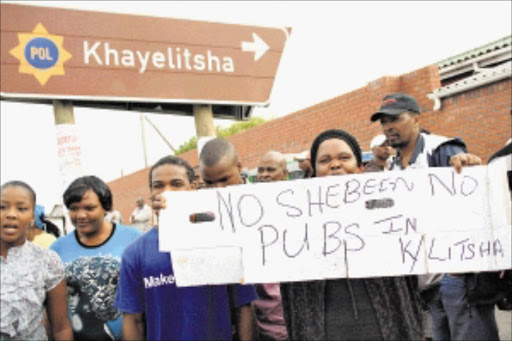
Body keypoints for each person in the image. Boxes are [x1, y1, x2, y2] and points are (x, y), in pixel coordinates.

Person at [370, 92, 496, 340]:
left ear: (416, 118)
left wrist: (468, 169)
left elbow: (470, 201)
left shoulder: (441, 149)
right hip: (426, 283)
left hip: (457, 277)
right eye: (384, 122)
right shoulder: (394, 166)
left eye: (396, 118)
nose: (389, 127)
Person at [280, 129, 424, 340]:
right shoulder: (293, 218)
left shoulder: (388, 206)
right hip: (322, 331)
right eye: (324, 160)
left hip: (386, 328)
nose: (335, 165)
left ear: (358, 167)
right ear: (315, 170)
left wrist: (465, 174)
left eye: (344, 158)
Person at [116, 155, 258, 340]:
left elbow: (243, 309)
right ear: (151, 193)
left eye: (176, 184)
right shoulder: (135, 253)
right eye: (158, 185)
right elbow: (133, 320)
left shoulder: (222, 242)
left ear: (192, 187)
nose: (166, 192)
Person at [51, 175, 141, 341]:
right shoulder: (57, 249)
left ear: (105, 208)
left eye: (89, 208)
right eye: (73, 208)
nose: (80, 215)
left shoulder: (133, 240)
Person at [1, 181, 73, 340]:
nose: (11, 214)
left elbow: (61, 327)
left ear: (32, 218)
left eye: (21, 208)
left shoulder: (48, 261)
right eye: (2, 207)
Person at [254, 151, 289, 341]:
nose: (264, 175)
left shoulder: (299, 207)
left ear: (284, 174)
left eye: (270, 170)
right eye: (261, 170)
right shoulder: (249, 207)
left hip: (290, 318)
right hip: (263, 321)